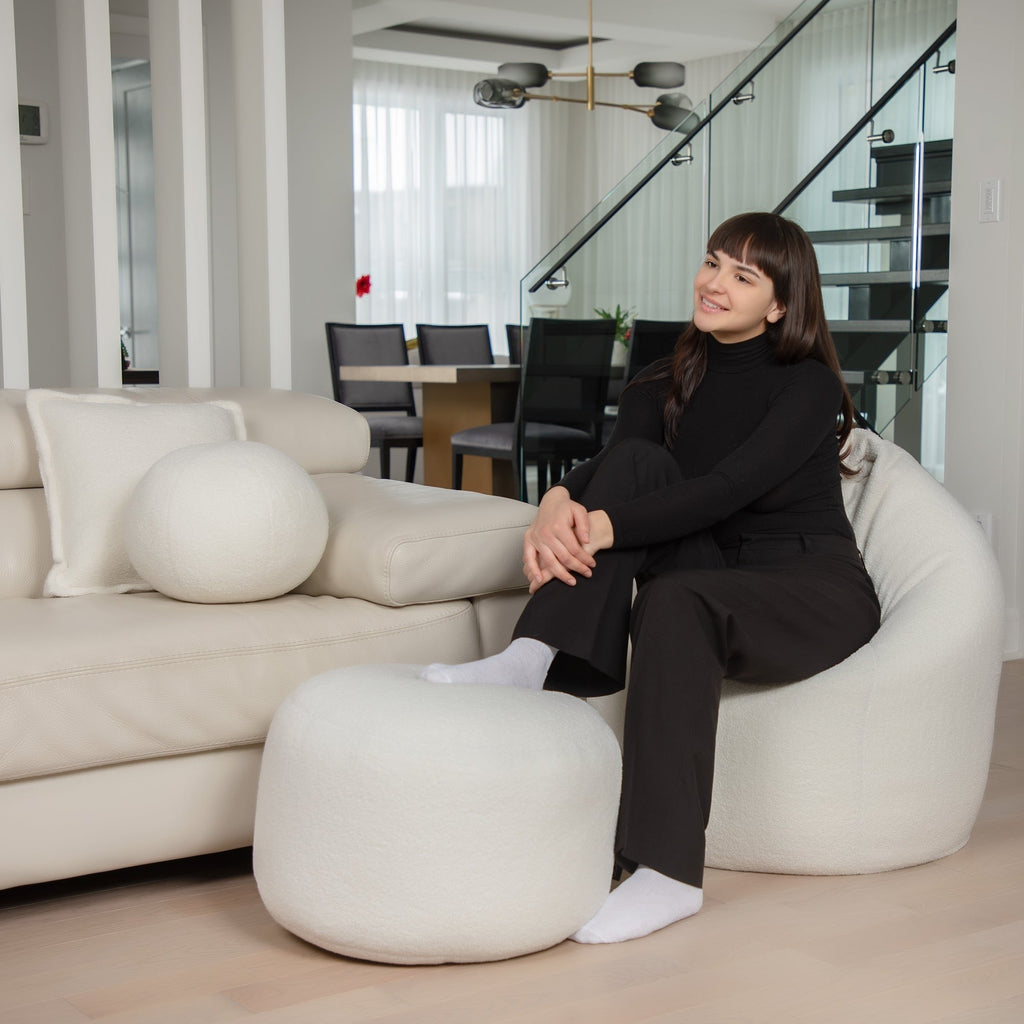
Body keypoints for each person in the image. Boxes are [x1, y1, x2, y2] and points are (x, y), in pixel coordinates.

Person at [421, 211, 881, 944]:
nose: (714, 283)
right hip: (715, 573)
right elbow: (617, 466)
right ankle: (529, 658)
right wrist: (555, 502)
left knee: (676, 599)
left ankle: (666, 873)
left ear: (780, 305)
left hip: (807, 587)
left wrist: (598, 527)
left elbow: (730, 487)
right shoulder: (665, 377)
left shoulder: (809, 385)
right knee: (637, 470)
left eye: (743, 276)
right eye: (712, 262)